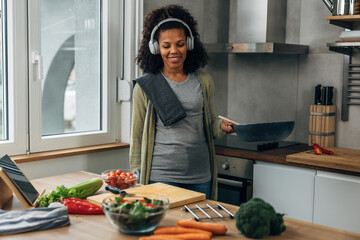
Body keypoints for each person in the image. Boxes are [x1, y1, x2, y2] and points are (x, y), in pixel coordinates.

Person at [130, 4, 234, 200]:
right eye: (166, 45)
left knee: (200, 228)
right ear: (155, 48)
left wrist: (222, 126)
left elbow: (210, 123)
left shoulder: (203, 81)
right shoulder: (145, 87)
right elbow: (136, 136)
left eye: (180, 44)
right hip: (161, 176)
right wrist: (137, 176)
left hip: (200, 175)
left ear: (189, 44)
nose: (174, 51)